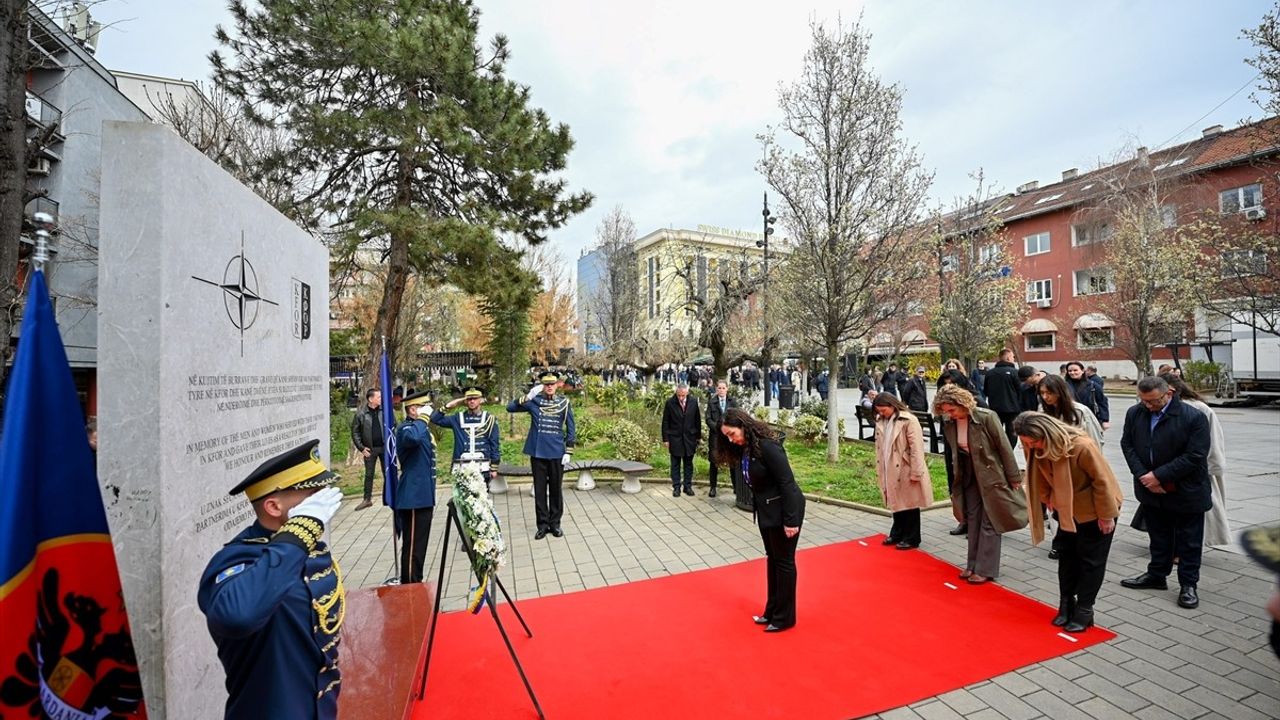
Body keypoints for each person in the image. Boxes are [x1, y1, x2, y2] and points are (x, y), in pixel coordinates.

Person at [198, 440, 345, 720]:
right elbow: (237, 615)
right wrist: (298, 533)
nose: (323, 499)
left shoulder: (307, 548)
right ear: (274, 506)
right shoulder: (237, 559)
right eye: (312, 493)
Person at [1013, 412, 1123, 633]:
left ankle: (1085, 609)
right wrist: (1048, 500)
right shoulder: (1035, 445)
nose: (1031, 447)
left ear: (1047, 433)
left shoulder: (1081, 446)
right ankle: (1066, 603)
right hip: (1065, 508)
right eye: (1026, 443)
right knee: (1067, 556)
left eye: (1034, 442)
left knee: (1091, 561)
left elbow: (1102, 482)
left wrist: (1106, 515)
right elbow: (1038, 474)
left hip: (1094, 510)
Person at [1119, 376, 1211, 610]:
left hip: (1185, 489)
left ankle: (1188, 584)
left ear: (1169, 393)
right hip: (1150, 488)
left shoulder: (1194, 417)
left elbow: (1195, 456)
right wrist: (1145, 477)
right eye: (1143, 401)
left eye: (1153, 401)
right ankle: (1156, 575)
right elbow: (1127, 445)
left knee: (1189, 541)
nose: (1148, 406)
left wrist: (1159, 476)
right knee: (1158, 536)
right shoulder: (1135, 413)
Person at [715, 408, 805, 632]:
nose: (730, 439)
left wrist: (791, 520)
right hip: (766, 512)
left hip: (784, 511)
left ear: (744, 426)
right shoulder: (746, 448)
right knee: (772, 559)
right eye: (726, 436)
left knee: (784, 562)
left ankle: (785, 618)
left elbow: (788, 483)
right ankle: (772, 610)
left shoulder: (768, 446)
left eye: (732, 433)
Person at [933, 384, 1027, 584]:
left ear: (962, 403)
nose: (949, 414)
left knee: (990, 519)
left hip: (991, 474)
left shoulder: (986, 416)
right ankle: (972, 564)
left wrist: (1014, 477)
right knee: (972, 517)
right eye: (945, 411)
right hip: (968, 473)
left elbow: (1004, 447)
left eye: (952, 409)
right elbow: (953, 453)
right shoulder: (949, 422)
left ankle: (986, 568)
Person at [1159, 373, 1230, 547]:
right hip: (1167, 470)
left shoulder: (1200, 409)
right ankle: (1174, 546)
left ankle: (1186, 548)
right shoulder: (1155, 408)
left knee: (1195, 511)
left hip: (1196, 468)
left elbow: (1213, 439)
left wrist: (1212, 467)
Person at [508, 372, 577, 539]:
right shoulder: (534, 402)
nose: (549, 387)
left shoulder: (564, 403)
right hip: (538, 453)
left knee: (555, 489)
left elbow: (571, 428)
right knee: (540, 491)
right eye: (546, 384)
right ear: (542, 386)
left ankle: (555, 524)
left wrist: (568, 450)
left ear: (557, 385)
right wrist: (528, 396)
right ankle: (542, 525)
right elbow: (510, 407)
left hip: (556, 452)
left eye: (552, 384)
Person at [872, 393, 933, 549]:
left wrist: (916, 472)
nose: (881, 413)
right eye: (878, 410)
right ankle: (897, 532)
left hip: (905, 465)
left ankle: (912, 537)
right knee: (895, 500)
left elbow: (917, 448)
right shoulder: (881, 420)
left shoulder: (908, 420)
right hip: (889, 464)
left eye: (883, 410)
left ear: (892, 406)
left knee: (910, 502)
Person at [396, 391, 438, 583]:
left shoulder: (419, 427)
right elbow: (412, 439)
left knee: (420, 546)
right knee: (412, 547)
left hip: (423, 495)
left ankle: (416, 581)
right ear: (413, 409)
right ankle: (410, 586)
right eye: (422, 408)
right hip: (412, 496)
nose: (426, 412)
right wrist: (422, 418)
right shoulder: (406, 428)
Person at [431, 386, 500, 485]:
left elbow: (494, 444)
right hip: (461, 466)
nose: (472, 401)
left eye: (475, 398)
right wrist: (449, 406)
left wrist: (494, 467)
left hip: (483, 467)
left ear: (480, 400)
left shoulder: (490, 419)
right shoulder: (457, 418)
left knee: (482, 498)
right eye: (469, 399)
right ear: (465, 401)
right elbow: (434, 419)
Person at [662, 383, 703, 497]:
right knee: (675, 464)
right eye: (679, 395)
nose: (681, 398)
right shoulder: (670, 403)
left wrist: (698, 437)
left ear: (687, 393)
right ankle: (676, 487)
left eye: (683, 396)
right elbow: (665, 421)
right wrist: (666, 439)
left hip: (690, 438)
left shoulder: (694, 402)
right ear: (676, 393)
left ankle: (687, 486)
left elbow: (697, 420)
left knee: (688, 464)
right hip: (675, 438)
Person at [350, 388, 386, 510]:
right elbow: (355, 432)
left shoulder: (385, 411)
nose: (381, 399)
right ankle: (367, 499)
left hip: (384, 448)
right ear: (371, 399)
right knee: (369, 474)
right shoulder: (361, 414)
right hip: (369, 450)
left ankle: (389, 496)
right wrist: (361, 448)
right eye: (379, 397)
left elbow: (394, 426)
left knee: (388, 473)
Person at [705, 380, 739, 499]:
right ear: (716, 389)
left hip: (729, 437)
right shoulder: (712, 402)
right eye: (719, 388)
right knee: (714, 461)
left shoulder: (733, 402)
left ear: (727, 389)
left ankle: (736, 487)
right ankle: (713, 487)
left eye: (723, 388)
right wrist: (718, 428)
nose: (721, 390)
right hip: (716, 436)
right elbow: (708, 419)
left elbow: (737, 417)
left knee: (733, 462)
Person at [984, 348, 1023, 450]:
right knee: (1012, 433)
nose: (1013, 359)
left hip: (995, 408)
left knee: (996, 433)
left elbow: (986, 391)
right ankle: (1009, 453)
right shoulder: (1015, 373)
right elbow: (1020, 390)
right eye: (1013, 357)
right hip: (1013, 409)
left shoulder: (990, 373)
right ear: (1008, 357)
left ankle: (998, 453)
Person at [1065, 361, 1110, 430]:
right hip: (1069, 420)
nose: (1072, 373)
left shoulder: (1093, 386)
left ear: (1082, 371)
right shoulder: (1063, 385)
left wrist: (1105, 420)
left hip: (1089, 419)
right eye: (1070, 371)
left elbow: (1102, 402)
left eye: (1075, 370)